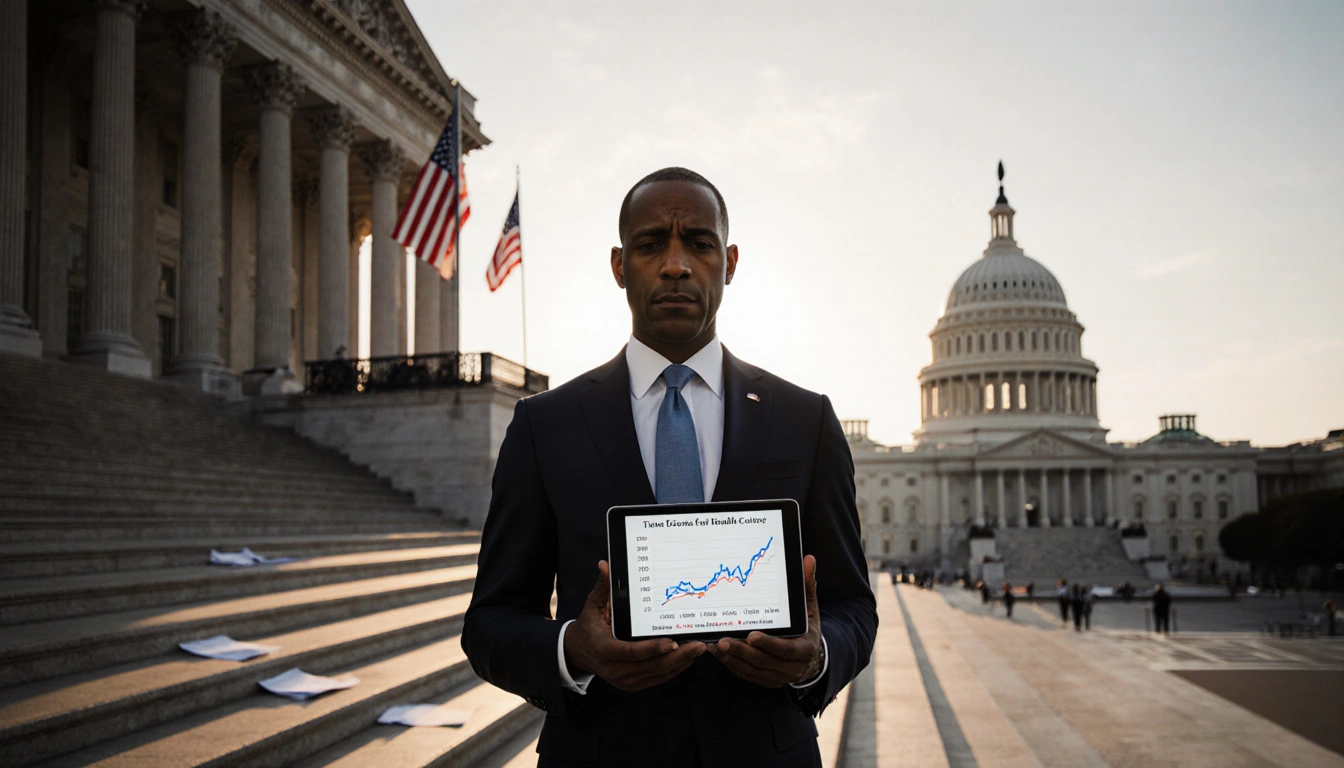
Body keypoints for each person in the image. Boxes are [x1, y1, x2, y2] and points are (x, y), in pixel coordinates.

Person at [461, 167, 879, 766]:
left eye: (700, 245)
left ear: (730, 262)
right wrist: (573, 650)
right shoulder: (543, 425)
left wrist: (816, 658)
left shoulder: (804, 420)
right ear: (618, 264)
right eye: (652, 244)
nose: (676, 265)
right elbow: (490, 622)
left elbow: (853, 607)